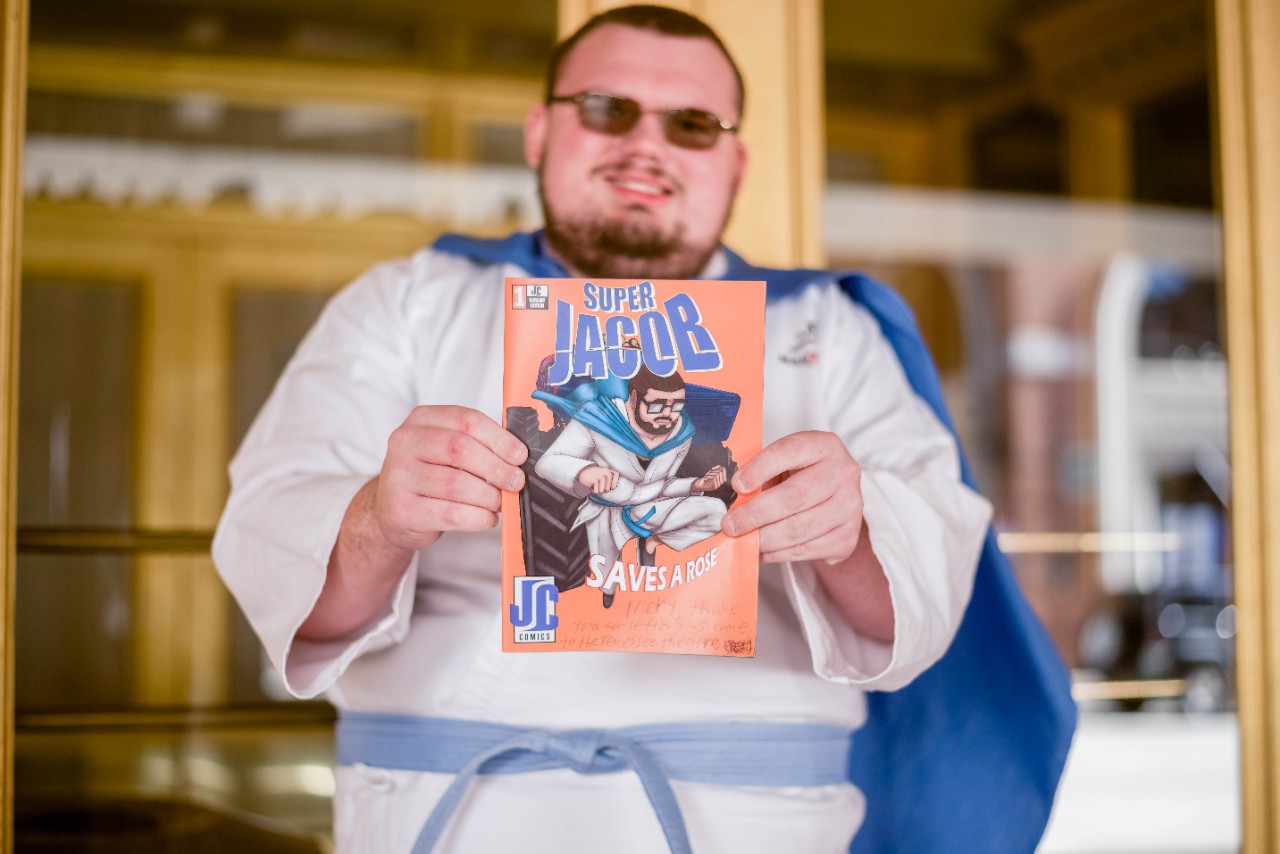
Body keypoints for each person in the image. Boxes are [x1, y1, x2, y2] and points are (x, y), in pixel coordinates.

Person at [213, 6, 1074, 854]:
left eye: (692, 124)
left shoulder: (831, 330)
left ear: (735, 165)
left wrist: (848, 535)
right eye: (605, 109)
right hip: (451, 805)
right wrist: (377, 517)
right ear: (539, 133)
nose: (646, 146)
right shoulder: (405, 303)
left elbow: (926, 589)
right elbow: (279, 559)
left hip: (751, 819)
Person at [533, 366, 729, 608]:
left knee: (716, 511)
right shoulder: (595, 419)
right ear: (633, 397)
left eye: (676, 406)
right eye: (657, 405)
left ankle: (655, 542)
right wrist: (584, 472)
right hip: (608, 510)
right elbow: (548, 462)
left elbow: (663, 484)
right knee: (606, 584)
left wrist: (697, 484)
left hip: (651, 507)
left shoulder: (681, 432)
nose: (667, 414)